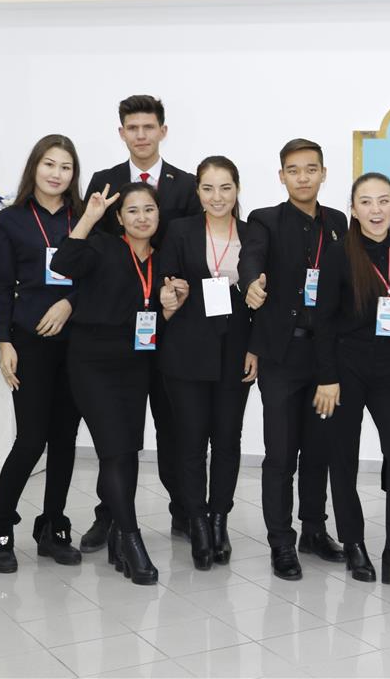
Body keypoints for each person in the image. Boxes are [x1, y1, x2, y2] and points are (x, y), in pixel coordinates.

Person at [78, 95, 200, 551]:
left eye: (150, 127)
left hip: (169, 325)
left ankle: (183, 510)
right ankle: (109, 516)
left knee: (173, 427)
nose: (142, 135)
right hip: (116, 331)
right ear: (122, 133)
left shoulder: (186, 185)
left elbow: (193, 248)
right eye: (133, 127)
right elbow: (87, 255)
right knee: (118, 437)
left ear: (163, 131)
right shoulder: (104, 181)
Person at [311, 173, 390, 591]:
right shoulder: (339, 253)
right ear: (354, 209)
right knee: (343, 457)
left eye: (383, 201)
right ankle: (354, 542)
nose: (375, 210)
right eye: (366, 202)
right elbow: (322, 320)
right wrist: (327, 377)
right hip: (346, 367)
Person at [239, 138, 346, 580]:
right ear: (281, 176)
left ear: (323, 173)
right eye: (294, 170)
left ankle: (314, 530)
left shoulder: (338, 223)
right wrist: (251, 283)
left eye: (311, 169)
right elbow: (251, 258)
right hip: (282, 355)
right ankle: (281, 541)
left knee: (319, 450)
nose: (303, 177)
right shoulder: (264, 219)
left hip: (324, 356)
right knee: (281, 454)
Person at [51, 181, 168, 585]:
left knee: (128, 450)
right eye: (132, 210)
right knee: (115, 449)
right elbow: (63, 263)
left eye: (149, 209)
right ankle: (132, 541)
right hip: (93, 364)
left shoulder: (162, 259)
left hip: (136, 365)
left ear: (159, 214)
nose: (142, 217)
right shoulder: (102, 247)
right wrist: (89, 217)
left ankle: (118, 536)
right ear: (119, 217)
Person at [0, 135, 85, 573]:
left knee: (64, 439)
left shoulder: (85, 216)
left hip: (77, 342)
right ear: (34, 168)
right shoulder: (12, 219)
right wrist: (4, 342)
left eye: (65, 166)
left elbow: (99, 275)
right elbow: (2, 285)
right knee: (30, 439)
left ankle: (52, 526)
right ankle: (0, 526)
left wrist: (69, 303)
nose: (56, 174)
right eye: (49, 164)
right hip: (30, 340)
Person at [157, 156, 255, 570]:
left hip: (236, 350)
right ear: (197, 191)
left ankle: (219, 521)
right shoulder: (180, 230)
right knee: (191, 441)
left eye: (226, 188)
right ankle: (196, 521)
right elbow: (164, 279)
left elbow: (263, 296)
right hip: (187, 349)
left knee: (228, 440)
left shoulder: (252, 234)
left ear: (237, 189)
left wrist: (256, 348)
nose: (218, 197)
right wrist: (171, 292)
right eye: (209, 188)